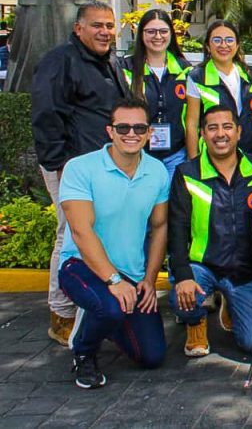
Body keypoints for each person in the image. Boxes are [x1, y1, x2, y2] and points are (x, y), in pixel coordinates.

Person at [31, 1, 130, 347]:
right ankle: (61, 314)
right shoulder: (61, 61)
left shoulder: (108, 62)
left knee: (91, 233)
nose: (105, 31)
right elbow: (46, 114)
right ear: (78, 29)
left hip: (101, 167)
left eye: (109, 25)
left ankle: (89, 306)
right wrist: (59, 165)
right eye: (97, 25)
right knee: (69, 235)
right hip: (72, 168)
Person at [57, 97, 169, 388]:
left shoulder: (157, 171)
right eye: (123, 128)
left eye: (139, 128)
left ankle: (105, 317)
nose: (131, 134)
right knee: (110, 308)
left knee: (152, 356)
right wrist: (113, 280)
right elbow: (81, 231)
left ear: (149, 133)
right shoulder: (80, 168)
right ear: (110, 131)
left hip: (131, 274)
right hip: (80, 266)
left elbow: (159, 227)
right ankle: (84, 351)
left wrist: (149, 279)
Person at [168, 105, 252, 357]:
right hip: (203, 267)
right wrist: (183, 276)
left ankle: (230, 305)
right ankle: (196, 322)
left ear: (239, 132)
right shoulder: (187, 173)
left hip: (245, 272)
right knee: (181, 301)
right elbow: (177, 230)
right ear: (202, 134)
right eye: (212, 128)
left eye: (227, 127)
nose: (220, 134)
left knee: (250, 344)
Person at [121, 8, 192, 177]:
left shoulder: (185, 69)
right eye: (151, 31)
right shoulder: (126, 69)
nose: (158, 36)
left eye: (163, 31)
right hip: (138, 155)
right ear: (141, 34)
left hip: (176, 155)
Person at [184, 20, 252, 159]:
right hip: (213, 157)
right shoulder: (197, 77)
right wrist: (193, 163)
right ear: (208, 46)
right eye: (217, 40)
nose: (223, 45)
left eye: (229, 40)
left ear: (237, 45)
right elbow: (192, 125)